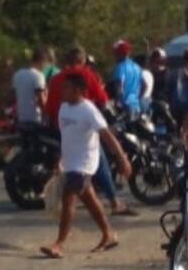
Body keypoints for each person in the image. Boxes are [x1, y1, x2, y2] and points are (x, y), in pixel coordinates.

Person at [40, 73, 131, 258]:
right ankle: (109, 234)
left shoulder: (88, 110)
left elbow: (106, 135)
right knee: (89, 199)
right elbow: (66, 136)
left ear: (79, 91)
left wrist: (122, 158)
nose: (62, 91)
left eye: (67, 88)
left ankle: (59, 243)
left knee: (68, 197)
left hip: (85, 162)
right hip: (71, 161)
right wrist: (61, 160)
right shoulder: (63, 108)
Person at [45, 48, 133, 217]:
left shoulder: (56, 79)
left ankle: (102, 225)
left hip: (60, 128)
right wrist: (122, 158)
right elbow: (102, 99)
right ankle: (114, 201)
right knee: (100, 160)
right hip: (82, 131)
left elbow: (49, 108)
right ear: (83, 61)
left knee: (79, 185)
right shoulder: (85, 76)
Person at [12, 48, 48, 127]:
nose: (46, 66)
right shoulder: (38, 76)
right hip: (35, 119)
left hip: (21, 118)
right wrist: (47, 116)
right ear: (42, 61)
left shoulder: (17, 75)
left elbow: (13, 97)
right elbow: (41, 99)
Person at [110, 39, 144, 116]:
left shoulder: (120, 67)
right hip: (136, 106)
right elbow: (144, 85)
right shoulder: (137, 67)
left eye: (116, 53)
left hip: (125, 107)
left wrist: (117, 102)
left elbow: (120, 87)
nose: (114, 55)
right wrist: (138, 98)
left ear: (122, 53)